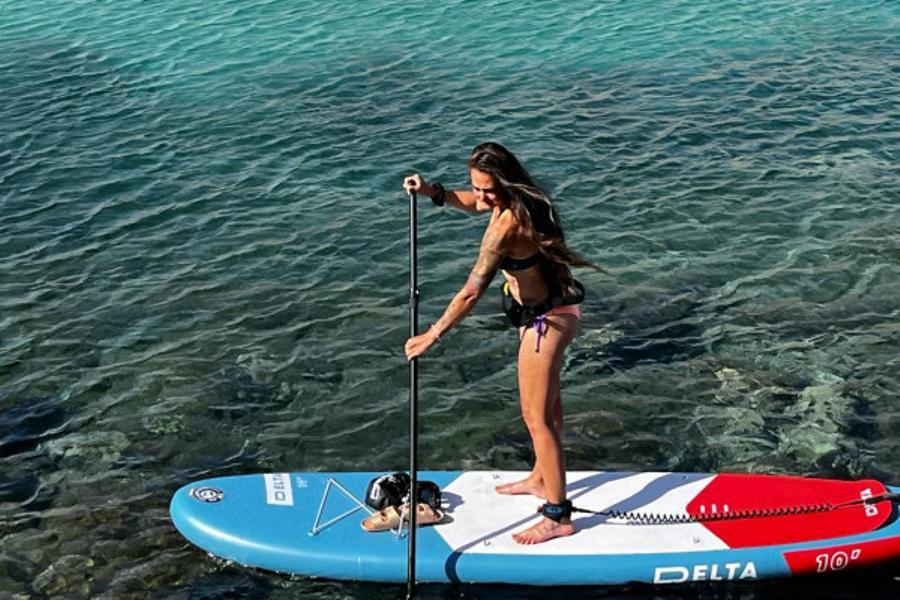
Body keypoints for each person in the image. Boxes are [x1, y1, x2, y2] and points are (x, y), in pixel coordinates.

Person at [403, 142, 601, 545]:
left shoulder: (504, 229)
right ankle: (540, 478)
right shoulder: (523, 202)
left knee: (536, 419)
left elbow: (471, 292)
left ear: (506, 182)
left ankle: (558, 516)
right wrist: (432, 192)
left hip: (547, 322)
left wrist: (433, 333)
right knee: (548, 411)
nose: (480, 197)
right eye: (476, 187)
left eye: (488, 190)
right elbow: (472, 204)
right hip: (553, 314)